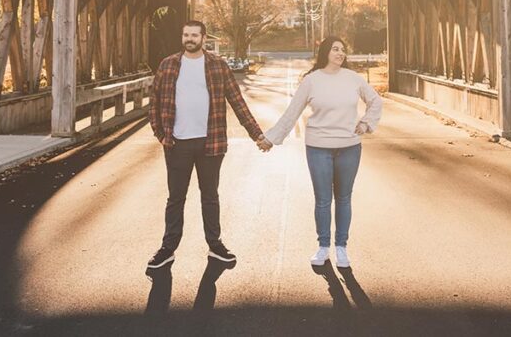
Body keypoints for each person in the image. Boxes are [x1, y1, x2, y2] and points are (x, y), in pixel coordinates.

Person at [147, 20, 272, 270]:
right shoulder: (169, 64)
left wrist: (257, 135)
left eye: (194, 35)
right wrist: (160, 133)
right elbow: (155, 101)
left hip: (210, 144)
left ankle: (215, 246)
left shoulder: (217, 66)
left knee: (210, 197)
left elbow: (238, 102)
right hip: (177, 143)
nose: (189, 38)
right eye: (186, 34)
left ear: (204, 38)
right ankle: (168, 249)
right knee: (175, 199)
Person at [263, 36, 382, 269]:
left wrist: (366, 123)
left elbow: (376, 101)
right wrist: (271, 138)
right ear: (326, 52)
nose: (340, 53)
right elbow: (292, 112)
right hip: (318, 147)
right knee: (323, 200)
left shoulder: (354, 79)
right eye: (335, 49)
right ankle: (323, 247)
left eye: (343, 50)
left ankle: (341, 248)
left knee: (344, 198)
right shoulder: (312, 80)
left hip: (349, 147)